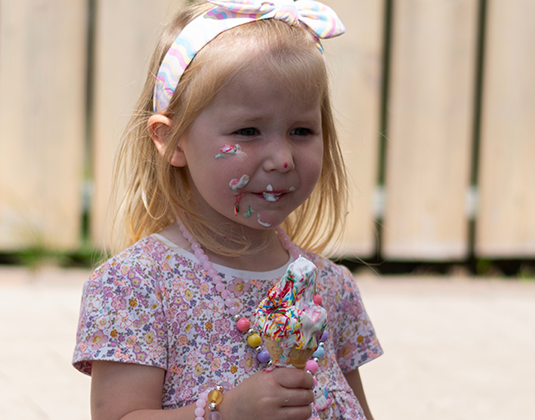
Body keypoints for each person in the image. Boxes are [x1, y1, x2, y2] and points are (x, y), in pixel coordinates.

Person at [72, 1, 383, 419]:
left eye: (302, 130)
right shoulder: (137, 286)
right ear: (172, 141)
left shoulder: (330, 288)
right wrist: (226, 410)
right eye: (248, 131)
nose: (281, 158)